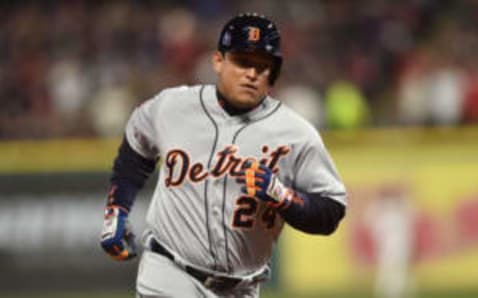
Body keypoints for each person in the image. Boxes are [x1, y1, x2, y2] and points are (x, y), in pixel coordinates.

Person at [100, 12, 347, 298]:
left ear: (273, 73)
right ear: (218, 61)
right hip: (168, 274)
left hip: (242, 288)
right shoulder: (173, 107)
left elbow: (331, 212)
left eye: (262, 66)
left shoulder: (296, 134)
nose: (251, 73)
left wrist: (283, 196)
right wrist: (116, 210)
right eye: (242, 61)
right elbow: (136, 146)